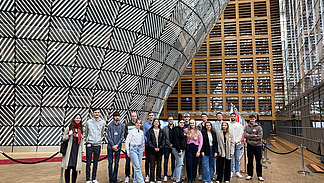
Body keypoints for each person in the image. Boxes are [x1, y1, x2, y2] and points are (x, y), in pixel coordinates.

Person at [61, 114, 84, 183]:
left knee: (75, 169)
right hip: (69, 151)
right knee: (67, 168)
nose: (78, 119)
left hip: (77, 151)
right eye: (76, 118)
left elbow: (82, 141)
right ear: (74, 119)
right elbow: (63, 138)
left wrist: (82, 151)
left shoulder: (81, 129)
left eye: (79, 118)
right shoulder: (69, 128)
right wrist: (69, 135)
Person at [85, 108, 106, 183]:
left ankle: (94, 178)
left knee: (96, 163)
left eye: (98, 112)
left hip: (97, 145)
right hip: (90, 144)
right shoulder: (88, 122)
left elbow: (102, 132)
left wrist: (99, 140)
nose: (97, 114)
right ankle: (88, 179)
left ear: (100, 113)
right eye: (95, 112)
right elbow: (86, 132)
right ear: (93, 113)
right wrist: (88, 141)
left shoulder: (102, 122)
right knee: (88, 162)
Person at [244, 114, 264, 181]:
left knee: (258, 162)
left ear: (255, 119)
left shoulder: (259, 128)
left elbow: (259, 137)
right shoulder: (246, 127)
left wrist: (250, 136)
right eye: (250, 119)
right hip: (250, 147)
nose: (252, 120)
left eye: (253, 119)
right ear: (249, 119)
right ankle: (250, 174)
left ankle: (259, 175)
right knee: (250, 161)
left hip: (258, 147)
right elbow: (245, 136)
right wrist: (254, 136)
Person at [107, 111, 125, 183]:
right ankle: (111, 179)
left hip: (118, 147)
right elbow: (109, 136)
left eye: (118, 116)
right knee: (110, 163)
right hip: (110, 147)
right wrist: (113, 145)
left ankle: (114, 178)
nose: (117, 117)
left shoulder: (122, 126)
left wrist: (117, 145)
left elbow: (122, 137)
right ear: (113, 117)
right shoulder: (110, 126)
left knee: (117, 163)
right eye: (115, 116)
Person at [146, 118, 165, 183]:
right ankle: (152, 179)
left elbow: (163, 141)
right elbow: (149, 141)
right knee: (152, 166)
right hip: (152, 151)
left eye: (157, 122)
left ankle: (158, 178)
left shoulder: (162, 131)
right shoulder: (150, 131)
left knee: (159, 166)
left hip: (160, 150)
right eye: (155, 122)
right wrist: (154, 148)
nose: (156, 123)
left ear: (159, 123)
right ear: (153, 123)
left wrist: (159, 148)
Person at [228, 113, 243, 178]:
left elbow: (240, 134)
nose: (233, 117)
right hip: (230, 144)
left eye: (234, 116)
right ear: (230, 117)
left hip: (237, 144)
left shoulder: (239, 125)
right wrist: (231, 142)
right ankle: (231, 171)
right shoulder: (228, 124)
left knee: (237, 158)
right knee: (230, 158)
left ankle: (237, 171)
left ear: (236, 117)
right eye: (232, 116)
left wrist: (236, 141)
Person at [124, 112, 138, 183]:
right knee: (127, 162)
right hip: (129, 147)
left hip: (136, 147)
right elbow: (125, 135)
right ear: (131, 117)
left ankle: (134, 176)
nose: (134, 117)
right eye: (132, 116)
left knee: (135, 163)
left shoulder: (138, 124)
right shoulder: (128, 125)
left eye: (135, 116)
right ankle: (127, 176)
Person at [162, 116, 175, 182]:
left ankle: (173, 175)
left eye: (171, 119)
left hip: (174, 147)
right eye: (169, 119)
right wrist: (169, 144)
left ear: (173, 121)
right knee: (166, 161)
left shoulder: (175, 128)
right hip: (167, 147)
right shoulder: (164, 128)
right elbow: (164, 138)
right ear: (167, 120)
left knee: (173, 162)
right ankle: (165, 175)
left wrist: (173, 145)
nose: (170, 120)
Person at [143, 112, 155, 182]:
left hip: (155, 146)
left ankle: (153, 175)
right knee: (147, 160)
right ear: (148, 116)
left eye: (152, 115)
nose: (151, 116)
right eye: (150, 115)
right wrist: (149, 142)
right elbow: (144, 134)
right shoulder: (145, 125)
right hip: (148, 145)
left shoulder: (156, 123)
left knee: (154, 161)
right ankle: (147, 175)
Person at [197, 113, 208, 181]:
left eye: (205, 117)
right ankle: (200, 174)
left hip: (207, 145)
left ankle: (207, 174)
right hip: (200, 144)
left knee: (207, 161)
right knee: (200, 161)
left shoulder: (209, 125)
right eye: (202, 117)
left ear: (207, 117)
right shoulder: (198, 126)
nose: (204, 118)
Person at [182, 113, 190, 181]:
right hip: (183, 146)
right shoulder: (182, 125)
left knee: (189, 161)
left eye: (187, 117)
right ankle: (184, 175)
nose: (186, 118)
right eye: (185, 117)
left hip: (190, 146)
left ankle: (189, 175)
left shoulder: (192, 125)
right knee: (183, 162)